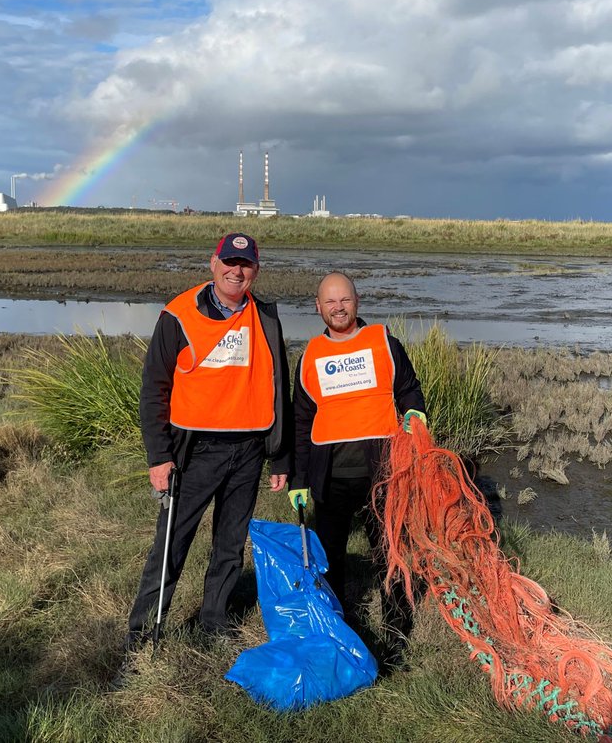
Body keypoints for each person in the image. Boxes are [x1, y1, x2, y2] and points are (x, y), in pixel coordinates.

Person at [120, 232, 292, 667]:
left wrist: (281, 454)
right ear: (213, 264)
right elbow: (153, 390)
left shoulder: (266, 317)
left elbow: (279, 388)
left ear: (256, 270)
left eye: (246, 264)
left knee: (231, 544)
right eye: (230, 262)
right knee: (172, 544)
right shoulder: (178, 315)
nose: (237, 271)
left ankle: (213, 623)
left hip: (250, 449)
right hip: (193, 452)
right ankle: (143, 634)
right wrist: (159, 457)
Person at [288, 271, 426, 671]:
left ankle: (396, 634)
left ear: (357, 301)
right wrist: (298, 479)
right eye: (330, 302)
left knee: (390, 553)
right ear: (318, 307)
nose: (338, 307)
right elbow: (301, 421)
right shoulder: (310, 355)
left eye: (344, 299)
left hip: (383, 472)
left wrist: (415, 412)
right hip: (330, 478)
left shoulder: (383, 342)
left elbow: (409, 390)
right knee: (330, 557)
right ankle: (338, 631)